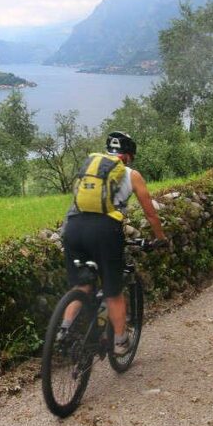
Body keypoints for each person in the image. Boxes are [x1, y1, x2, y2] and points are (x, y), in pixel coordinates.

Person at [61, 131, 167, 355]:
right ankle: (120, 341)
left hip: (73, 227)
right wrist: (160, 238)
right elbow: (150, 213)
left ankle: (63, 331)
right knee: (113, 292)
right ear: (128, 155)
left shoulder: (92, 168)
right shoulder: (131, 174)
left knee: (81, 285)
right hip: (104, 231)